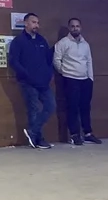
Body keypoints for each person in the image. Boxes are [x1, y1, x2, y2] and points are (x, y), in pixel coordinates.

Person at [8, 13, 55, 149]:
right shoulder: (18, 41)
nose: (37, 25)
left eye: (38, 23)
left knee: (51, 106)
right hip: (27, 82)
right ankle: (37, 139)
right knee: (33, 110)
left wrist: (49, 74)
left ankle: (32, 132)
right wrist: (26, 74)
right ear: (26, 23)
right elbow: (14, 61)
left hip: (43, 82)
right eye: (34, 22)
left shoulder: (41, 40)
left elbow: (48, 59)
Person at [54, 17, 101, 145]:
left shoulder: (85, 44)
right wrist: (65, 72)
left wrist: (90, 78)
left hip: (85, 80)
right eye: (73, 26)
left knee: (85, 107)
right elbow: (56, 60)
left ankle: (88, 133)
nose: (75, 28)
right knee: (72, 107)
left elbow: (89, 61)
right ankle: (74, 134)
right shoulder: (62, 43)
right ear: (69, 28)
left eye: (77, 26)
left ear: (81, 28)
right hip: (70, 79)